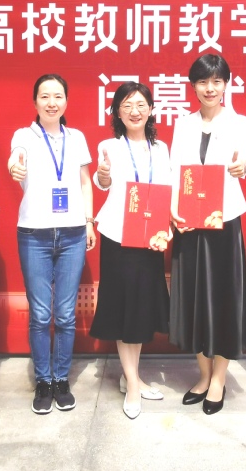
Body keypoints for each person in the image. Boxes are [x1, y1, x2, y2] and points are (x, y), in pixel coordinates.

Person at [8, 74, 96, 415]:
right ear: (35, 102)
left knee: (66, 314)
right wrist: (14, 167)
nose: (51, 102)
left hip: (73, 233)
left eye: (58, 96)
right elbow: (15, 159)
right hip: (35, 234)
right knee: (41, 314)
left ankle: (61, 379)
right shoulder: (24, 135)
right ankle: (43, 381)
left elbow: (86, 183)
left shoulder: (77, 138)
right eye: (44, 96)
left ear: (66, 101)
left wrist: (89, 221)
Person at [169, 54, 246, 415]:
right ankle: (203, 376)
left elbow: (244, 158)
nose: (210, 88)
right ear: (194, 86)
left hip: (224, 221)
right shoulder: (183, 124)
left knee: (222, 299)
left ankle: (219, 379)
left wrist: (241, 165)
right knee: (194, 299)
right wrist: (173, 210)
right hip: (189, 222)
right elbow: (175, 171)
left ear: (226, 85)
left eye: (217, 81)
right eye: (203, 81)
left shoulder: (240, 123)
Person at [89, 82, 171, 420]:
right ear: (117, 113)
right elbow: (103, 183)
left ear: (151, 110)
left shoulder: (161, 148)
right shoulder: (109, 145)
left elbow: (166, 188)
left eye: (140, 104)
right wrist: (103, 174)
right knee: (124, 307)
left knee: (140, 308)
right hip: (118, 235)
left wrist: (166, 227)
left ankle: (130, 377)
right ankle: (134, 385)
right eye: (126, 105)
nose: (134, 111)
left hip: (150, 236)